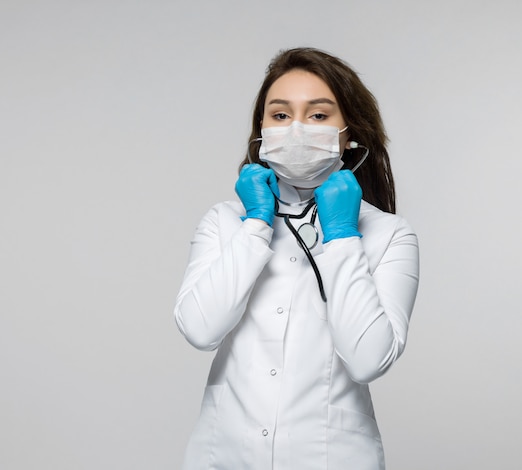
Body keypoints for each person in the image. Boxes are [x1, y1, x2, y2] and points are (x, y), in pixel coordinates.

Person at [174, 47, 419, 470]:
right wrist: (254, 227)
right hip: (225, 455)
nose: (297, 129)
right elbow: (200, 330)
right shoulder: (224, 222)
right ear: (261, 132)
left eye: (319, 115)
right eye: (281, 115)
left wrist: (343, 237)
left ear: (350, 134)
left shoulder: (389, 235)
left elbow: (367, 361)